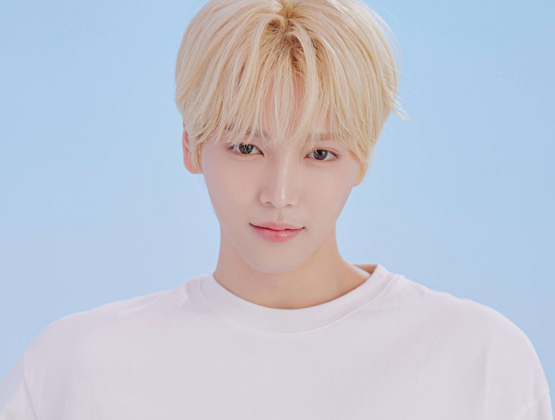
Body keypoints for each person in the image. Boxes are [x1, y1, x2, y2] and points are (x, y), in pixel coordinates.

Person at [0, 0, 551, 418]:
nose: (280, 193)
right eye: (246, 147)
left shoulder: (479, 360)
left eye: (320, 153)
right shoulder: (76, 368)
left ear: (363, 158)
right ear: (191, 145)